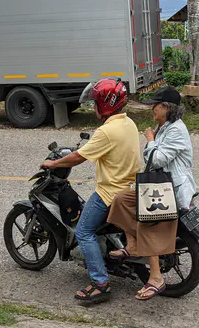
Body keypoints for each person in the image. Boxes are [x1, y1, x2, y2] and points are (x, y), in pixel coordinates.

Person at [41, 79, 140, 305]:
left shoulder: (105, 131)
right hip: (131, 187)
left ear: (104, 105)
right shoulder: (128, 123)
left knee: (84, 232)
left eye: (95, 102)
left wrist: (53, 164)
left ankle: (100, 283)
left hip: (111, 192)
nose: (93, 106)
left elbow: (78, 157)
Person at [107, 85, 198, 301]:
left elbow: (157, 159)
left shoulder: (176, 130)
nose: (152, 110)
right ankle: (132, 245)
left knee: (146, 220)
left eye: (155, 106)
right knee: (119, 200)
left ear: (166, 107)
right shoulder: (165, 126)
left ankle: (156, 278)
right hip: (157, 186)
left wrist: (150, 140)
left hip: (170, 191)